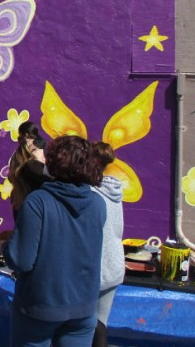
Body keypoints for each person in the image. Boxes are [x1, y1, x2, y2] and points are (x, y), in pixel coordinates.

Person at [2, 135, 107, 347]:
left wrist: (6, 247)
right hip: (83, 305)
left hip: (41, 305)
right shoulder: (98, 203)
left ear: (53, 164)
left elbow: (21, 260)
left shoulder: (37, 202)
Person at [90, 142, 124, 347]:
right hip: (114, 263)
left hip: (94, 265)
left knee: (83, 325)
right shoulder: (114, 189)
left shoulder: (88, 192)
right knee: (100, 324)